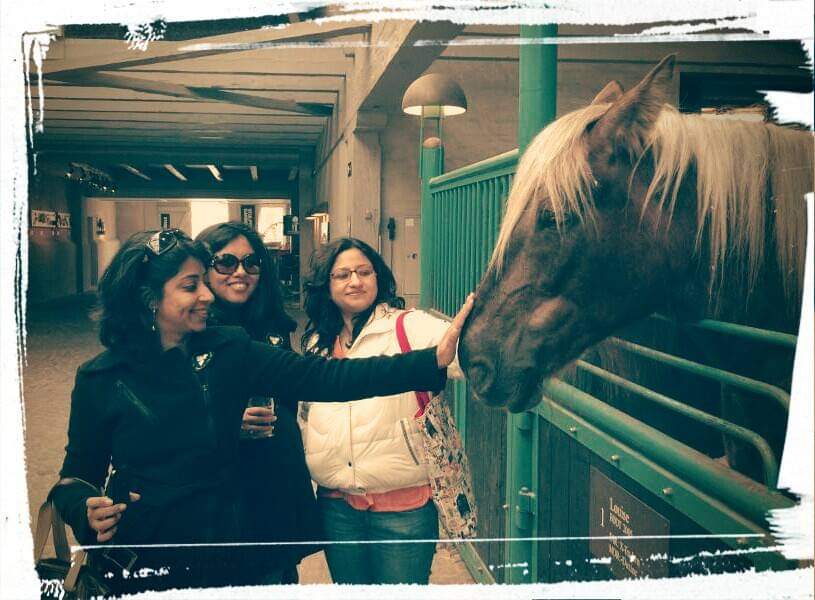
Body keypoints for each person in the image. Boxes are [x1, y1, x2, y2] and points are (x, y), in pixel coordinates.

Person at [49, 229, 471, 595]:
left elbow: (329, 378)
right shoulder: (100, 378)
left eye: (203, 283)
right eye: (191, 286)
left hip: (233, 555)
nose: (207, 295)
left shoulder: (229, 348)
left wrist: (430, 360)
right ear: (148, 300)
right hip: (148, 559)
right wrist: (84, 508)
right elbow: (75, 477)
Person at [299, 237, 467, 585]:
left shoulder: (409, 326)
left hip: (403, 511)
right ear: (326, 285)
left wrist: (471, 339)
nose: (355, 281)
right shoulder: (318, 343)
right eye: (342, 274)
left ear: (379, 277)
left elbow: (462, 355)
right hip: (337, 508)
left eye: (364, 272)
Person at [195, 221, 316, 585]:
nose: (241, 272)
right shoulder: (189, 331)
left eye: (251, 262)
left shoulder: (272, 326)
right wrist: (226, 421)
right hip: (221, 499)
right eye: (226, 262)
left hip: (275, 487)